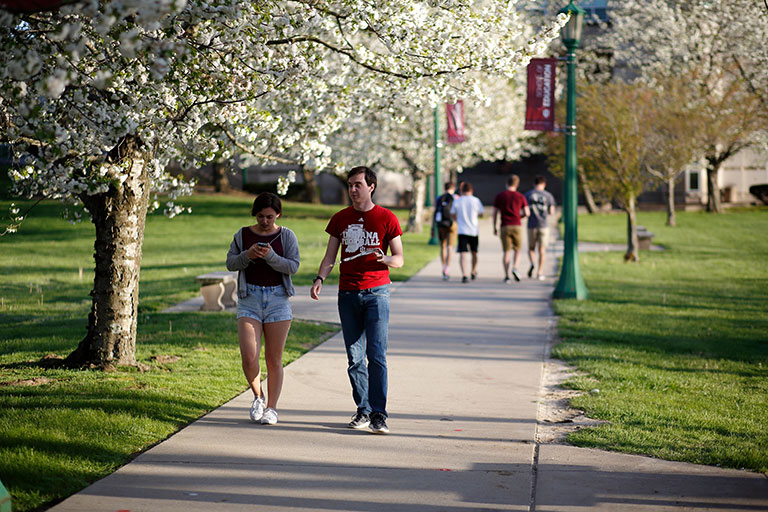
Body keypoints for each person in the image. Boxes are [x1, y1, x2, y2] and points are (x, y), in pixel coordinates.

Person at [310, 166, 404, 434]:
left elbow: (399, 258)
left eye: (358, 185)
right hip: (347, 293)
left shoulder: (387, 218)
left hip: (377, 293)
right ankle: (362, 410)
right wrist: (319, 278)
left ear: (371, 186)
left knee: (376, 355)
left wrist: (383, 258)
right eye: (350, 185)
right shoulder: (340, 218)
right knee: (354, 357)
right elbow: (330, 257)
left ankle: (379, 414)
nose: (353, 189)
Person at [226, 192, 300, 426]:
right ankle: (258, 396)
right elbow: (230, 263)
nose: (265, 221)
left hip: (278, 299)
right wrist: (247, 255)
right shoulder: (243, 234)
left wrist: (271, 257)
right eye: (260, 216)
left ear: (277, 214)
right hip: (250, 298)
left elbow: (293, 266)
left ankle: (272, 408)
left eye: (269, 216)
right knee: (249, 356)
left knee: (273, 358)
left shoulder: (286, 236)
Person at [492, 174, 529, 283]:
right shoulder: (520, 196)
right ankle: (515, 267)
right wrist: (519, 217)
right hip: (517, 225)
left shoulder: (500, 196)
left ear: (506, 183)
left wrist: (495, 227)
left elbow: (494, 213)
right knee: (517, 250)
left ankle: (506, 276)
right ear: (517, 184)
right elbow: (527, 212)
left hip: (505, 225)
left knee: (506, 252)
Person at [451, 181, 484, 283]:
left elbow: (452, 214)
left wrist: (458, 219)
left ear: (462, 190)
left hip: (462, 230)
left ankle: (464, 274)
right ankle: (473, 271)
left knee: (463, 253)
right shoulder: (476, 200)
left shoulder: (457, 201)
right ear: (471, 190)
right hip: (474, 230)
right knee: (474, 252)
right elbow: (481, 214)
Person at [525, 175, 557, 280]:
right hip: (543, 225)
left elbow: (525, 211)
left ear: (534, 184)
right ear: (544, 184)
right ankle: (539, 272)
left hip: (531, 225)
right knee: (542, 250)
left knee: (531, 248)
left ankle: (532, 262)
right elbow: (551, 212)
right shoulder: (548, 196)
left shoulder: (528, 195)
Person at [434, 182, 458, 280]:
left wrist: (433, 226)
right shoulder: (455, 197)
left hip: (441, 224)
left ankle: (443, 267)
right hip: (452, 224)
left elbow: (435, 211)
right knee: (450, 247)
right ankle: (448, 267)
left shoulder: (439, 198)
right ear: (453, 188)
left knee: (443, 246)